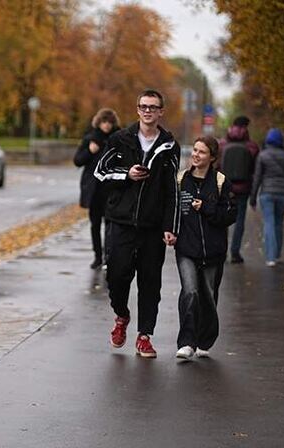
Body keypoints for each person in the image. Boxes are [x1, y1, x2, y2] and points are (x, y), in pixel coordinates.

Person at [94, 89, 180, 358]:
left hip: (152, 226)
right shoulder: (121, 139)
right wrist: (126, 175)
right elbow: (100, 172)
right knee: (116, 276)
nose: (148, 111)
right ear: (137, 109)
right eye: (144, 106)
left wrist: (171, 226)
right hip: (121, 221)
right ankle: (121, 315)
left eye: (153, 107)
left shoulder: (169, 146)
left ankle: (145, 335)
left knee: (150, 282)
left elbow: (172, 191)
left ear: (160, 112)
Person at [174, 136, 237, 360]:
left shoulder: (221, 182)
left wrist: (207, 208)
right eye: (195, 150)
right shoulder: (181, 179)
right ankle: (187, 342)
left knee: (208, 295)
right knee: (190, 292)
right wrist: (170, 231)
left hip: (214, 251)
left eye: (201, 152)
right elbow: (170, 210)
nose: (196, 155)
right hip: (186, 249)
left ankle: (205, 339)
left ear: (212, 157)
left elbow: (230, 215)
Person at [74, 108, 120, 269]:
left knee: (110, 225)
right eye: (104, 122)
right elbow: (78, 161)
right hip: (94, 190)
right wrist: (89, 151)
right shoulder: (91, 139)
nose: (107, 125)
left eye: (109, 122)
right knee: (94, 224)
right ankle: (97, 256)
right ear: (99, 123)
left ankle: (108, 256)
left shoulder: (117, 140)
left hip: (111, 189)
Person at [250, 128, 284, 267]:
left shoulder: (262, 156)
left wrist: (252, 198)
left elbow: (257, 178)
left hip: (267, 194)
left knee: (269, 223)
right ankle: (276, 254)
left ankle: (270, 258)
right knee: (278, 223)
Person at [218, 116, 260, 264]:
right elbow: (255, 171)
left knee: (222, 220)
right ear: (246, 127)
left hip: (225, 188)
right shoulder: (252, 146)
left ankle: (221, 252)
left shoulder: (222, 145)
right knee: (240, 220)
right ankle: (235, 253)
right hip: (243, 189)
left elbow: (216, 167)